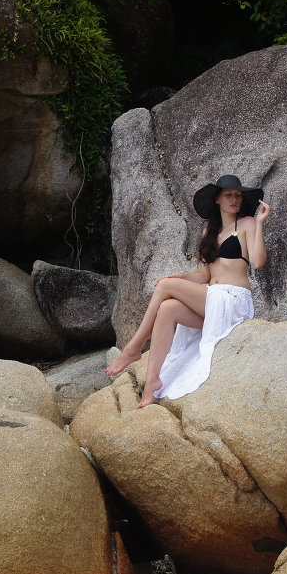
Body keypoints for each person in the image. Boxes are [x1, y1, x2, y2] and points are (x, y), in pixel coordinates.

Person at [104, 174, 270, 407]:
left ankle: (133, 348)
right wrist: (178, 277)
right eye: (229, 195)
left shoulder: (247, 224)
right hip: (212, 300)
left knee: (165, 287)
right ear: (217, 200)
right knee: (167, 308)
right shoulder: (208, 232)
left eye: (238, 195)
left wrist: (260, 223)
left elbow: (259, 262)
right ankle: (152, 383)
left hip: (233, 301)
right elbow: (203, 276)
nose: (234, 199)